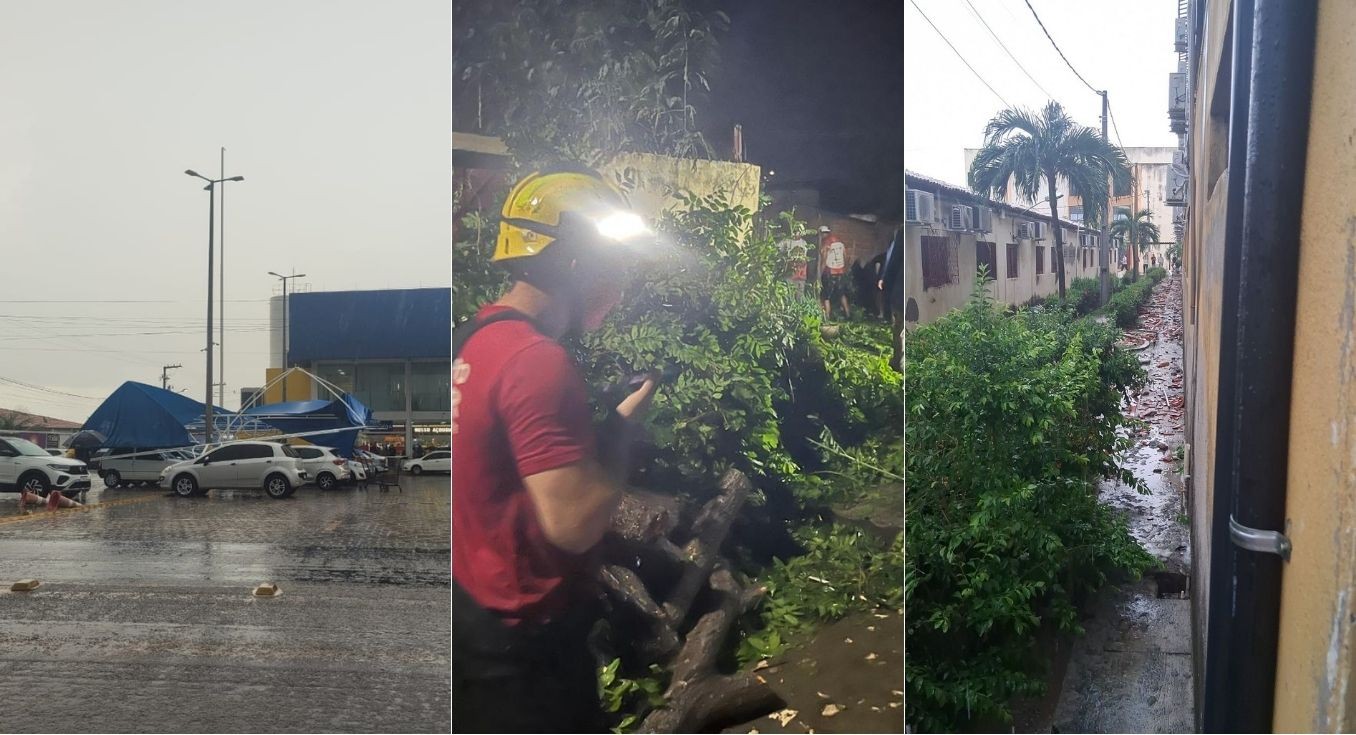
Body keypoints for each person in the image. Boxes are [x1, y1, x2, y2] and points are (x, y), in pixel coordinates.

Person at [451, 166, 659, 733]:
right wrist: (620, 434)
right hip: (524, 663)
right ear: (571, 261)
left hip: (472, 622)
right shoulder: (536, 360)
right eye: (608, 260)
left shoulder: (473, 340)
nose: (615, 279)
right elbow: (574, 523)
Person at [879, 226, 904, 370]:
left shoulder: (902, 233)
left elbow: (894, 261)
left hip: (901, 291)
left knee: (899, 327)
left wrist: (885, 281)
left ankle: (898, 361)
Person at [819, 226, 850, 320]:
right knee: (841, 293)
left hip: (830, 271)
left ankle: (827, 316)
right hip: (840, 271)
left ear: (822, 233)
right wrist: (845, 269)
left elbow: (824, 259)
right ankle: (848, 314)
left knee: (825, 295)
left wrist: (820, 273)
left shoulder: (825, 243)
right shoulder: (840, 243)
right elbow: (845, 257)